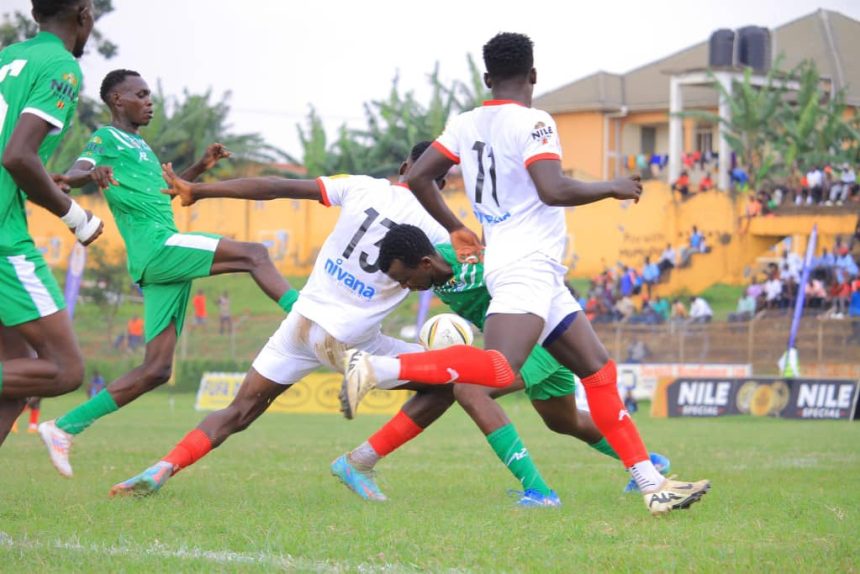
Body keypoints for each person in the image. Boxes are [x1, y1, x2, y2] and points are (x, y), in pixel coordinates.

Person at [341, 32, 709, 515]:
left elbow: (417, 177)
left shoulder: (465, 123)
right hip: (526, 263)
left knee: (598, 370)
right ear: (533, 74)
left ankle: (652, 483)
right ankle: (379, 369)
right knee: (498, 368)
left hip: (531, 267)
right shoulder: (535, 122)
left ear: (487, 78)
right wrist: (611, 186)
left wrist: (455, 227)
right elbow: (552, 189)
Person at [107, 142, 504, 497]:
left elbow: (276, 186)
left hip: (301, 324)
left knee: (239, 411)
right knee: (451, 381)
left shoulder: (360, 186)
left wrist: (200, 190)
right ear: (442, 186)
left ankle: (163, 467)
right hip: (348, 340)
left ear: (404, 168)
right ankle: (360, 462)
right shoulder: (441, 231)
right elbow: (469, 273)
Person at [38, 69, 298, 477]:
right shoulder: (106, 138)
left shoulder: (140, 146)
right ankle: (307, 317)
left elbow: (165, 193)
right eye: (141, 95)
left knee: (156, 369)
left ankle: (63, 427)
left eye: (150, 95)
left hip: (159, 261)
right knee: (255, 254)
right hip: (158, 248)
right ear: (117, 100)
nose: (149, 102)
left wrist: (201, 166)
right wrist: (87, 176)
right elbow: (74, 171)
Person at [329, 224, 669, 503]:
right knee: (563, 420)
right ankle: (646, 463)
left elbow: (520, 267)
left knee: (469, 389)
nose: (406, 286)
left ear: (425, 263)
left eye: (405, 278)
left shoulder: (472, 261)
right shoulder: (437, 273)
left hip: (539, 339)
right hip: (525, 346)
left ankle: (539, 493)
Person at [0, 0, 103, 446]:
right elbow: (17, 156)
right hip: (3, 237)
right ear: (83, 13)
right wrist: (74, 215)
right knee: (63, 369)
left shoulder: (7, 57)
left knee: (18, 370)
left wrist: (44, 181)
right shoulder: (61, 66)